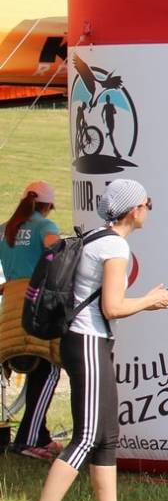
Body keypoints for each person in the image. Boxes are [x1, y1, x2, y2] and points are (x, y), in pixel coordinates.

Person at [19, 180, 168, 501]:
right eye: (147, 203)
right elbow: (113, 307)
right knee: (88, 436)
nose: (149, 209)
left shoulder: (96, 237)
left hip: (87, 342)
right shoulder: (115, 246)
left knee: (106, 435)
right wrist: (150, 301)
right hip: (88, 342)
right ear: (134, 209)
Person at [1, 182, 62, 460]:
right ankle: (26, 440)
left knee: (33, 368)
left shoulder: (6, 229)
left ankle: (41, 436)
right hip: (36, 305)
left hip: (11, 306)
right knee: (48, 369)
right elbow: (54, 252)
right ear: (48, 206)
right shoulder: (45, 227)